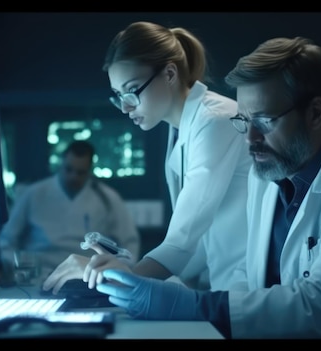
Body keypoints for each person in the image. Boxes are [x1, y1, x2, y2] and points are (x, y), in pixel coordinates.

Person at [94, 36, 321, 339]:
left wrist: (191, 305)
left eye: (264, 121)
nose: (251, 139)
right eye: (244, 121)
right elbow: (250, 275)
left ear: (316, 113)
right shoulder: (270, 174)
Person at [42, 21, 251, 294]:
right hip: (218, 285)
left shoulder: (216, 120)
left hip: (247, 288)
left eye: (132, 90)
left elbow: (182, 239)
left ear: (169, 73)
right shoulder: (180, 128)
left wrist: (124, 275)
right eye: (118, 96)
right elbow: (192, 243)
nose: (126, 106)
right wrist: (122, 268)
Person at [0, 140, 141, 282]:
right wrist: (15, 269)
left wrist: (117, 271)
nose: (73, 177)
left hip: (88, 277)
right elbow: (7, 240)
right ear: (61, 164)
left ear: (90, 169)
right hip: (38, 276)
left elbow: (129, 243)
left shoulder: (108, 199)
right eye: (68, 169)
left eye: (80, 172)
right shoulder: (34, 193)